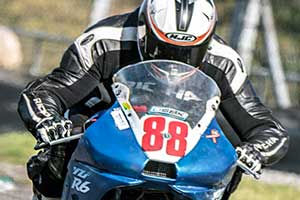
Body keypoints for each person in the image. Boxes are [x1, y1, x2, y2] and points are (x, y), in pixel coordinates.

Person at [18, 0, 289, 199]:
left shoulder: (224, 61)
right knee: (61, 144)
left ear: (206, 42)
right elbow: (48, 92)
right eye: (165, 48)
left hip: (183, 146)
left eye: (188, 52)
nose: (174, 60)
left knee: (230, 157)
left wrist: (255, 150)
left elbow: (266, 128)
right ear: (144, 29)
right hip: (108, 128)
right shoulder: (104, 40)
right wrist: (47, 120)